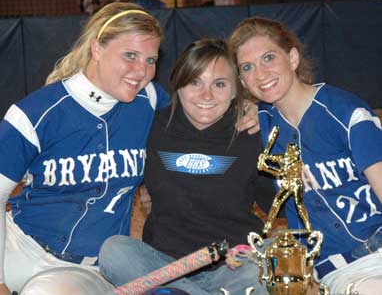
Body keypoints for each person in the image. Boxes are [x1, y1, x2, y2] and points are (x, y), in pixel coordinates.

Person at [0, 2, 168, 295]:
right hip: (15, 246)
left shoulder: (151, 100)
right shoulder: (35, 113)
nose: (142, 71)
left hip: (79, 271)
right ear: (97, 48)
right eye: (130, 55)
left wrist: (241, 106)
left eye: (151, 60)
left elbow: (202, 117)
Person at [99, 38, 276, 295]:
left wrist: (270, 119)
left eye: (220, 84)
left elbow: (275, 204)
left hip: (235, 264)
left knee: (270, 259)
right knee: (114, 251)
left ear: (236, 89)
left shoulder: (252, 130)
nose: (206, 95)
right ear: (178, 84)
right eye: (195, 82)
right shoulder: (152, 126)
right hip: (167, 267)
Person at [229, 16, 382, 294]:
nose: (260, 74)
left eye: (269, 58)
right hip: (338, 270)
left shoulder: (345, 112)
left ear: (293, 58)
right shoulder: (261, 124)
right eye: (248, 67)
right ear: (242, 79)